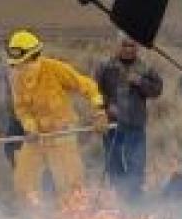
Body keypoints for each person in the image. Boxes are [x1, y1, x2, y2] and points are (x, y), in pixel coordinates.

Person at [7, 29, 108, 204]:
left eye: (22, 63)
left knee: (70, 185)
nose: (19, 68)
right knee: (23, 183)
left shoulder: (55, 69)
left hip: (62, 135)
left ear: (34, 57)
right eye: (16, 64)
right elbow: (21, 109)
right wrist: (30, 127)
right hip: (37, 137)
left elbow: (88, 86)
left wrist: (99, 111)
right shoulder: (15, 77)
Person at [94, 33, 163, 201]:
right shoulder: (105, 66)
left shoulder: (145, 68)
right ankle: (121, 195)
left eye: (132, 46)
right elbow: (94, 91)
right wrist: (106, 106)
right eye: (124, 45)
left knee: (136, 162)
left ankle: (134, 198)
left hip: (135, 124)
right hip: (112, 125)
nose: (128, 49)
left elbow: (157, 90)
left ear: (137, 48)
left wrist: (140, 82)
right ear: (118, 46)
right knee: (113, 162)